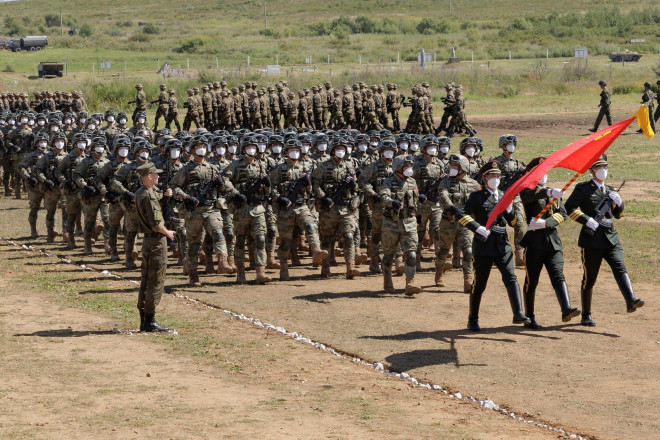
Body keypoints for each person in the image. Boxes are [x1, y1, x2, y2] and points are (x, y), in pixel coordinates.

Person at [564, 155, 644, 326]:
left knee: (619, 267)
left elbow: (618, 215)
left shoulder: (610, 190)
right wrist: (586, 220)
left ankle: (630, 300)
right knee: (589, 278)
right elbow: (569, 208)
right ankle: (586, 314)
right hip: (592, 240)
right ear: (591, 170)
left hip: (610, 237)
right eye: (599, 167)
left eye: (605, 166)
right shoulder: (583, 188)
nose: (603, 170)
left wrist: (620, 203)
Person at [456, 160, 530, 331]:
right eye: (492, 176)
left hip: (502, 244)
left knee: (511, 277)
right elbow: (461, 213)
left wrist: (510, 210)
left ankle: (518, 313)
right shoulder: (477, 196)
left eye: (498, 176)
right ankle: (473, 318)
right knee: (480, 283)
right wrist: (477, 227)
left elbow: (512, 223)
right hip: (484, 245)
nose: (495, 178)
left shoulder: (505, 195)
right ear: (484, 178)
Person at [519, 157, 580, 329]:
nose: (545, 175)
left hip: (552, 242)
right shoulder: (528, 190)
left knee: (558, 275)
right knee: (532, 281)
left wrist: (548, 222)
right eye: (541, 172)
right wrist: (547, 192)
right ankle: (529, 316)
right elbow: (526, 197)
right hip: (534, 243)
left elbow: (562, 212)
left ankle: (566, 308)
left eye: (546, 171)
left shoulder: (552, 192)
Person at [135, 162, 175, 332]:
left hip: (148, 241)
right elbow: (157, 224)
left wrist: (165, 196)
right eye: (156, 174)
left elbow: (154, 200)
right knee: (156, 281)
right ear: (149, 177)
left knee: (146, 279)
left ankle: (145, 319)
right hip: (157, 241)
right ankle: (149, 321)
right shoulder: (148, 196)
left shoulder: (142, 193)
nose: (158, 177)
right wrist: (169, 234)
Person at [436, 154, 480, 292]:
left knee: (468, 250)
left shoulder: (474, 184)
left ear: (463, 167)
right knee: (443, 250)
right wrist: (452, 208)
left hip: (466, 223)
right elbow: (443, 196)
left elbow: (480, 202)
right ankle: (439, 272)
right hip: (448, 222)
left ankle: (468, 279)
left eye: (455, 166)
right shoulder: (445, 182)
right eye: (451, 165)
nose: (452, 168)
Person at [380, 155, 421, 295]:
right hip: (391, 224)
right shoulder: (388, 181)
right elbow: (384, 196)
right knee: (388, 255)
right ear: (398, 168)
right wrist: (392, 202)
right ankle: (387, 280)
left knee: (411, 254)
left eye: (410, 166)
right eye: (406, 166)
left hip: (409, 223)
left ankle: (410, 283)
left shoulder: (412, 182)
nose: (410, 169)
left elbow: (415, 200)